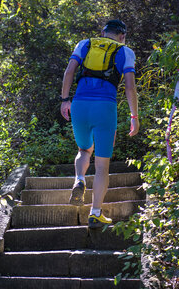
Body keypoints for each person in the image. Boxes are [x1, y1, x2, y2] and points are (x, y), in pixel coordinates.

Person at [60, 19, 139, 229]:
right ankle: (95, 213)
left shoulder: (84, 44)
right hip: (105, 107)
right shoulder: (125, 51)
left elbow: (69, 72)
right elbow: (130, 87)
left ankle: (79, 179)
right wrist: (134, 116)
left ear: (103, 33)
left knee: (84, 150)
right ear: (122, 36)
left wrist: (64, 100)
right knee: (102, 165)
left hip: (79, 105)